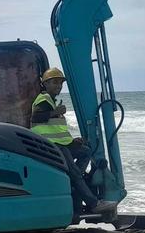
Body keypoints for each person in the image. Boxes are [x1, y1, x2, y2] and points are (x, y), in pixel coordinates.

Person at [31, 68, 100, 213]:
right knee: (74, 172)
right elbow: (36, 117)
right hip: (51, 146)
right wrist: (56, 112)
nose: (58, 86)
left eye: (60, 83)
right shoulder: (43, 99)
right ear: (45, 84)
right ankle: (94, 204)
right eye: (55, 83)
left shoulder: (52, 101)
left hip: (60, 144)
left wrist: (72, 141)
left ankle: (71, 181)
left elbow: (56, 129)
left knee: (85, 152)